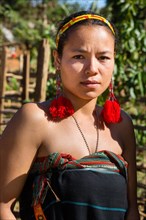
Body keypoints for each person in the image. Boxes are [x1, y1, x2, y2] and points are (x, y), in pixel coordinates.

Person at [0, 10, 140, 220]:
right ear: (57, 59)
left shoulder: (121, 125)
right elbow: (2, 206)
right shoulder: (35, 120)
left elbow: (132, 211)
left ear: (114, 61)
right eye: (78, 57)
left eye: (103, 57)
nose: (92, 69)